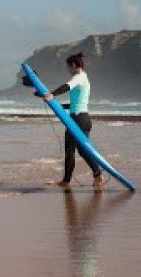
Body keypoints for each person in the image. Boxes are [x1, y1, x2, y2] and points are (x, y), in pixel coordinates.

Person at [40, 52, 103, 188]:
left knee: (70, 151)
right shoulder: (85, 78)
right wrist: (57, 104)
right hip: (84, 119)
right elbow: (75, 103)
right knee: (82, 150)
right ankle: (97, 175)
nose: (68, 70)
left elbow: (67, 86)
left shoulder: (78, 78)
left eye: (68, 67)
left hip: (78, 120)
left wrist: (52, 94)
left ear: (73, 65)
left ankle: (66, 181)